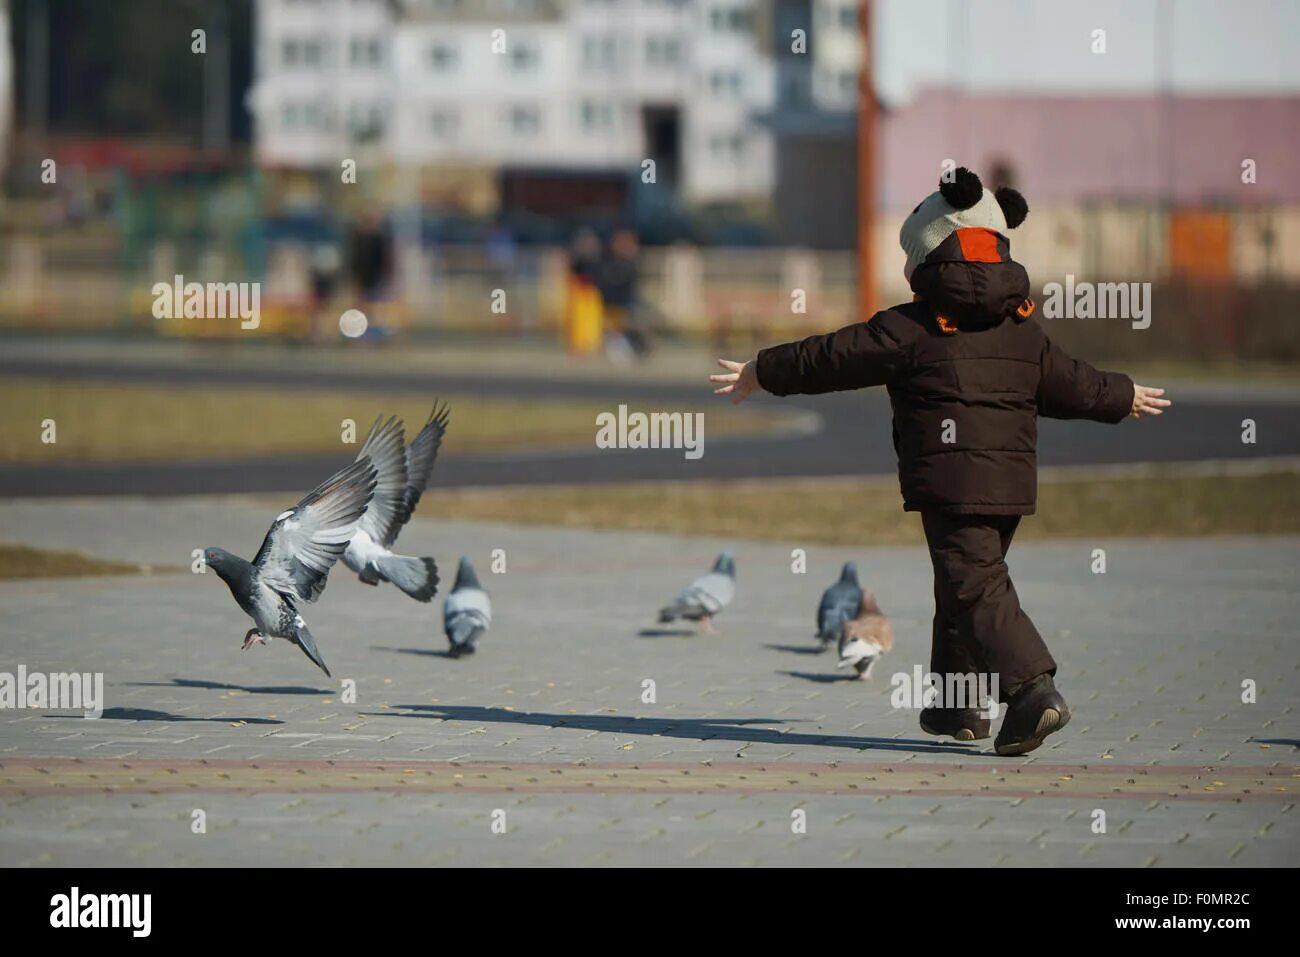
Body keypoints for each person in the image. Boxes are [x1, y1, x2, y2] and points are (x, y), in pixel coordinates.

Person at [709, 167, 1171, 756]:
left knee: (975, 586)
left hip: (952, 481)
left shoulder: (912, 327)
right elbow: (1073, 383)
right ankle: (960, 706)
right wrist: (1122, 393)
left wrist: (762, 370)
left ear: (934, 256)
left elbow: (833, 357)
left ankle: (1033, 691)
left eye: (911, 257)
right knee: (961, 586)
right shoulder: (1023, 331)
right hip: (1010, 486)